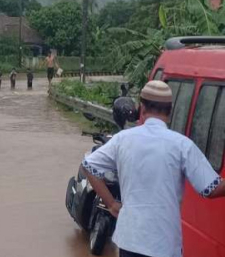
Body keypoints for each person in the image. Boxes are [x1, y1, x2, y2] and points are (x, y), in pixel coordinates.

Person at [82, 80, 225, 257]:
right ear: (170, 110)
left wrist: (111, 203)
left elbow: (88, 165)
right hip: (163, 243)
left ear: (142, 108)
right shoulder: (182, 146)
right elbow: (210, 188)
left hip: (130, 240)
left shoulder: (122, 139)